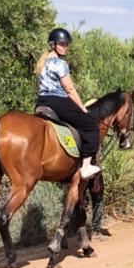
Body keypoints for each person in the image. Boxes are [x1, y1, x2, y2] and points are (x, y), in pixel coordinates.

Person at [35, 27, 101, 178]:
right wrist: (82, 108)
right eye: (62, 44)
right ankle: (85, 167)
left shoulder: (41, 62)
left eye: (67, 44)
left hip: (41, 101)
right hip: (57, 100)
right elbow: (69, 89)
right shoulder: (60, 64)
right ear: (53, 45)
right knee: (91, 126)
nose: (66, 47)